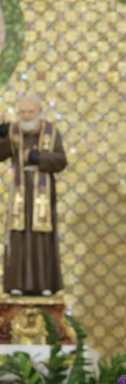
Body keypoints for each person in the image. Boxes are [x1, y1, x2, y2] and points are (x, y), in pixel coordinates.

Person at [0, 94, 68, 296]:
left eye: (30, 112)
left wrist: (38, 157)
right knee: (19, 236)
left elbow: (61, 160)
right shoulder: (13, 131)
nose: (26, 116)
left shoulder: (51, 131)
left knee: (41, 237)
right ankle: (17, 284)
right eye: (22, 112)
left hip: (43, 194)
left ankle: (45, 283)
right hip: (21, 192)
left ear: (38, 112)